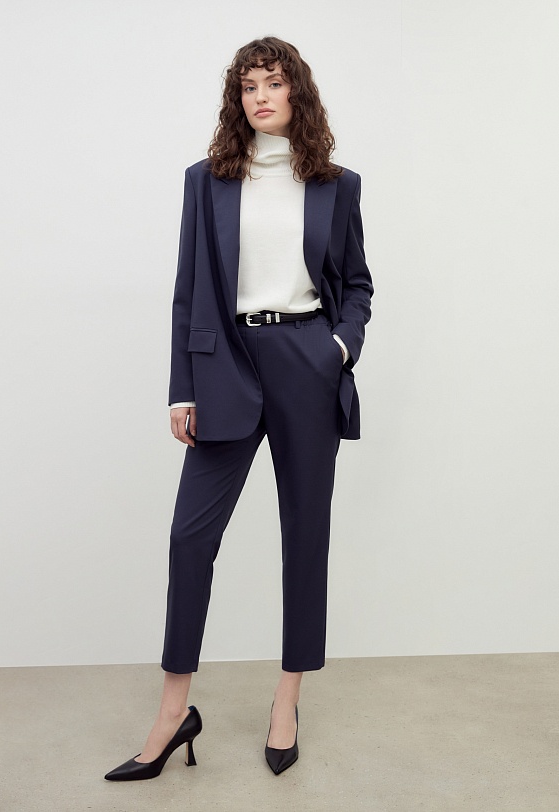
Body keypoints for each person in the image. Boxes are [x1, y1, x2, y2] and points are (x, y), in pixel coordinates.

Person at [104, 35, 373, 781]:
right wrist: (182, 387)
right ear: (237, 99)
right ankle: (172, 714)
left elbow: (356, 283)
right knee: (190, 539)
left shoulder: (337, 185)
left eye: (274, 83)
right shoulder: (208, 181)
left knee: (304, 537)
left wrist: (337, 348)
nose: (261, 96)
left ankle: (287, 701)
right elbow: (187, 288)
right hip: (224, 363)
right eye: (249, 86)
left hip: (305, 362)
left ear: (296, 94)